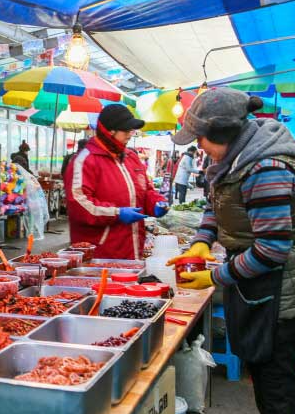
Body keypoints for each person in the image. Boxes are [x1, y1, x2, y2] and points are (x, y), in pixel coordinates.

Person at [166, 88, 295, 413]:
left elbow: (272, 250)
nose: (198, 147)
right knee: (267, 381)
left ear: (222, 134)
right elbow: (216, 205)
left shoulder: (265, 169)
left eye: (200, 139)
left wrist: (214, 276)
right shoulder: (235, 162)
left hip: (281, 299)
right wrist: (200, 242)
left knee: (278, 390)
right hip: (259, 288)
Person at [65, 105, 168, 260]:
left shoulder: (131, 157)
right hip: (101, 253)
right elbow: (79, 204)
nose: (130, 135)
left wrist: (156, 202)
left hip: (132, 249)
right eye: (126, 130)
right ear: (109, 131)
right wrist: (116, 213)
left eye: (131, 131)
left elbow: (145, 190)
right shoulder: (85, 160)